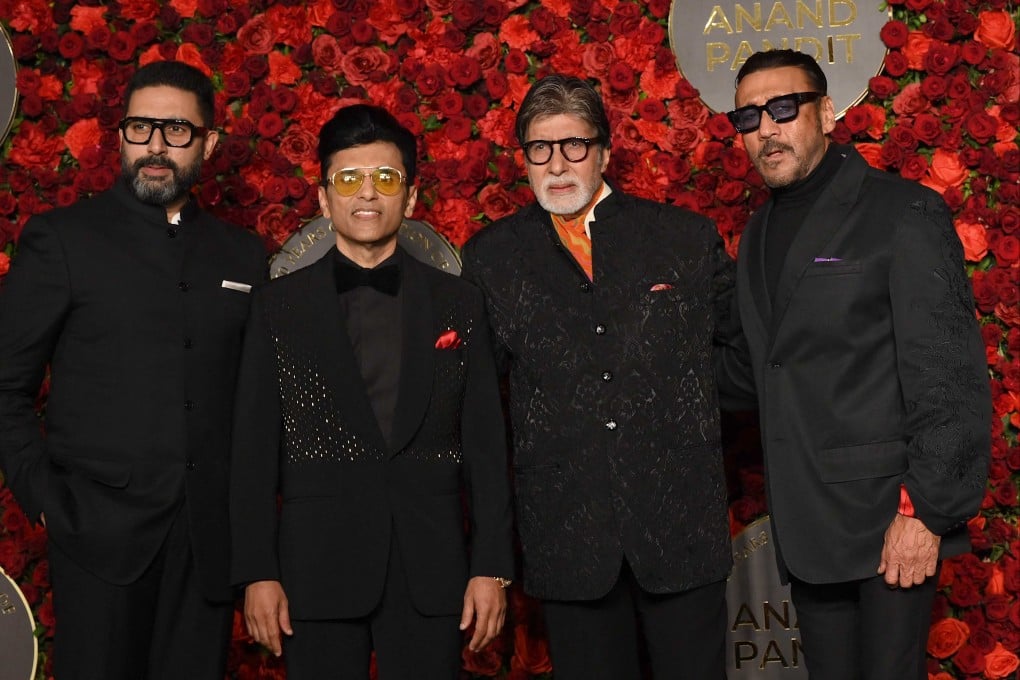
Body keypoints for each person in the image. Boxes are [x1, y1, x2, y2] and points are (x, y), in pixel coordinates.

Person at [717, 49, 991, 679]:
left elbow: (948, 375)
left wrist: (924, 512)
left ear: (829, 112)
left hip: (887, 521)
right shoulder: (758, 232)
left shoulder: (902, 212)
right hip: (808, 522)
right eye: (749, 116)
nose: (767, 128)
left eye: (784, 108)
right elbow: (761, 368)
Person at [460, 74, 734, 679]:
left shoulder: (682, 239)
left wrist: (684, 410)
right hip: (567, 538)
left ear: (604, 151)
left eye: (574, 145)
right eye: (540, 149)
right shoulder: (491, 258)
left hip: (681, 529)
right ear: (524, 159)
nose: (557, 164)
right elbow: (479, 409)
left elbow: (741, 360)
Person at [0, 61, 266, 679]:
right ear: (120, 134)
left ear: (210, 143)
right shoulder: (63, 240)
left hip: (205, 546)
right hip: (97, 538)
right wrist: (45, 499)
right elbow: (5, 386)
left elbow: (254, 404)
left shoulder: (242, 253)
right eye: (141, 127)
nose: (155, 146)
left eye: (176, 130)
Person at [229, 104, 514, 679]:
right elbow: (253, 452)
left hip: (431, 569)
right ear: (322, 196)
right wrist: (258, 572)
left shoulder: (460, 303)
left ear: (409, 199)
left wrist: (491, 567)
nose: (367, 193)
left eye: (385, 179)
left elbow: (486, 446)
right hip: (315, 568)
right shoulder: (275, 307)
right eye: (349, 178)